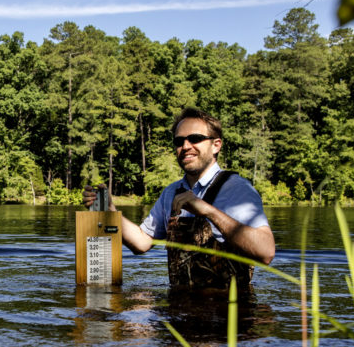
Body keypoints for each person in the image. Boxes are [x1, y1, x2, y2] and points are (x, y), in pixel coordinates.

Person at [83, 108, 275, 289]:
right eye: (179, 141)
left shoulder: (236, 189)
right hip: (180, 308)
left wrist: (208, 211)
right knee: (128, 318)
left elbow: (266, 252)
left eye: (195, 139)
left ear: (216, 145)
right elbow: (142, 242)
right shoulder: (171, 192)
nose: (185, 146)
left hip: (228, 312)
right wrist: (110, 213)